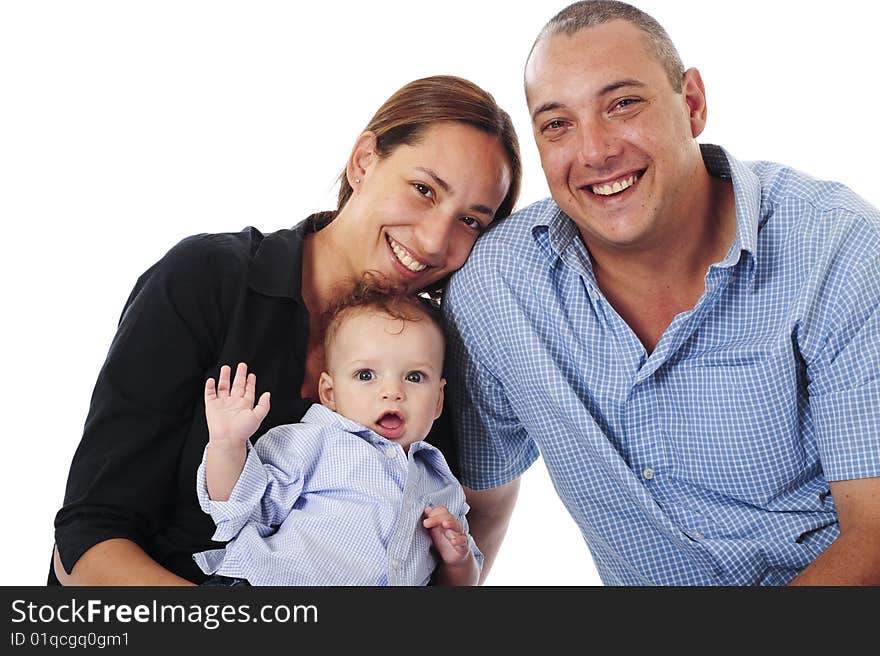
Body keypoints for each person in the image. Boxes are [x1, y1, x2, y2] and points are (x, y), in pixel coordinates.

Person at [443, 0, 880, 585]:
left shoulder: (837, 249)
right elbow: (480, 505)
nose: (594, 152)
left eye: (622, 104)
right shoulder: (497, 288)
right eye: (557, 124)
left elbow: (874, 537)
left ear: (692, 104)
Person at [51, 74, 521, 585]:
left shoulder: (439, 353)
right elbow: (87, 540)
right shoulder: (208, 280)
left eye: (471, 221)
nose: (434, 241)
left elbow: (473, 518)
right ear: (364, 161)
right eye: (424, 189)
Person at [195, 282, 480, 586]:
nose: (392, 392)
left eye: (414, 377)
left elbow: (461, 585)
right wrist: (228, 445)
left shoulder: (442, 486)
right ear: (330, 393)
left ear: (438, 400)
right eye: (366, 375)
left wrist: (458, 562)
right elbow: (239, 508)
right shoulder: (313, 442)